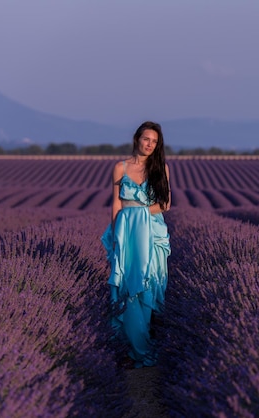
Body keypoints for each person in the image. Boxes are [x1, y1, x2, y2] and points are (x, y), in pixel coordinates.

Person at [101, 121, 171, 368]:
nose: (150, 144)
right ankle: (133, 346)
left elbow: (165, 204)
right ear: (137, 139)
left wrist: (138, 215)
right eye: (146, 139)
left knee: (148, 282)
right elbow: (117, 204)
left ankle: (143, 342)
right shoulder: (119, 168)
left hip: (151, 232)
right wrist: (115, 235)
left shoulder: (161, 168)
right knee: (128, 285)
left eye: (154, 141)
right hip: (127, 232)